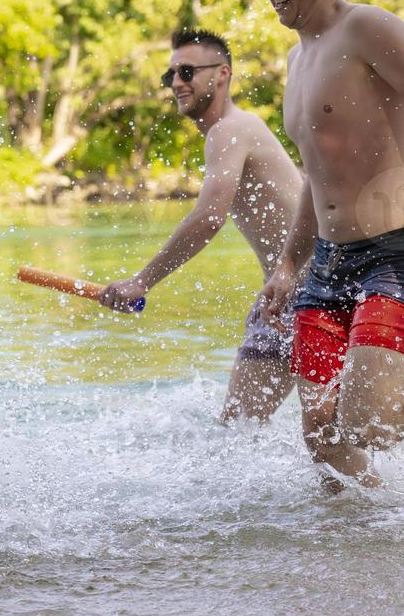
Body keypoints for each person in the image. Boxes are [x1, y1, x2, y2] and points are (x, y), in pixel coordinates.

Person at [256, 0, 404, 487]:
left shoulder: (366, 28)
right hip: (328, 267)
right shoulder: (296, 58)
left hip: (394, 255)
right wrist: (290, 264)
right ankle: (356, 572)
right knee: (328, 451)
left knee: (372, 423)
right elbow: (316, 176)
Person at [99, 29, 303, 421]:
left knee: (300, 433)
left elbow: (209, 219)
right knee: (238, 429)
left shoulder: (230, 129)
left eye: (188, 71)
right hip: (280, 299)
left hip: (316, 292)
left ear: (222, 74)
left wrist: (142, 281)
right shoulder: (226, 133)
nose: (176, 82)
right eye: (170, 75)